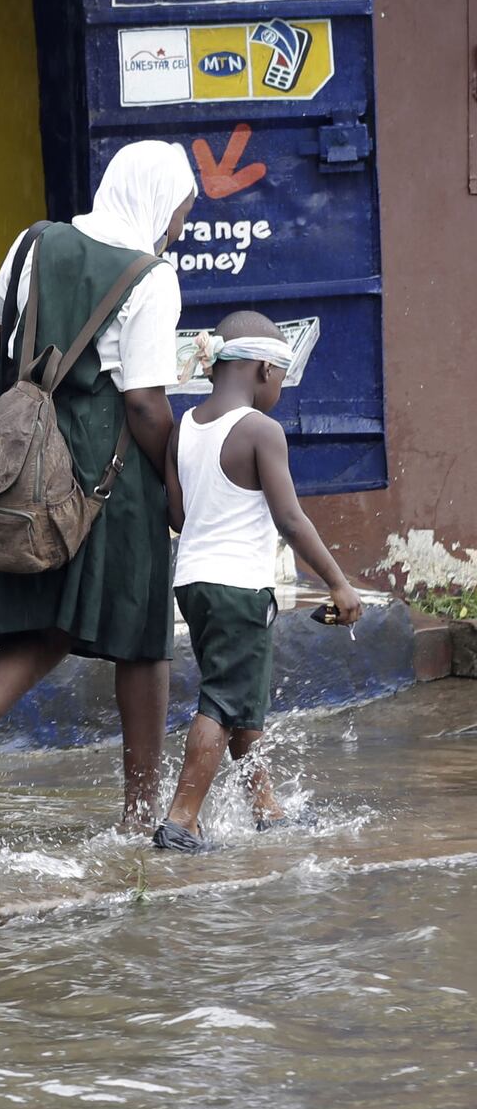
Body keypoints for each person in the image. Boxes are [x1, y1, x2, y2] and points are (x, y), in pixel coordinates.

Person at [0, 140, 198, 838]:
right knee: (142, 638)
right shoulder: (151, 276)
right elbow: (144, 402)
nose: (178, 229)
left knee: (46, 625)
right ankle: (137, 817)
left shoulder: (37, 240)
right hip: (111, 473)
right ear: (156, 200)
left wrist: (48, 374)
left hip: (27, 462)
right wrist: (176, 478)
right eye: (179, 213)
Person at [152, 312, 364, 852]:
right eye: (281, 381)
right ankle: (182, 821)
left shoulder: (185, 426)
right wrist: (339, 584)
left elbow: (177, 516)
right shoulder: (259, 431)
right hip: (238, 589)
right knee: (223, 702)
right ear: (264, 369)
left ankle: (265, 808)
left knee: (240, 701)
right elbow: (290, 519)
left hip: (194, 585)